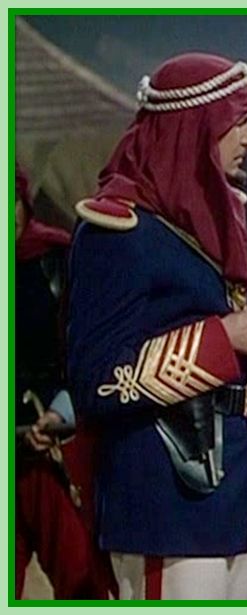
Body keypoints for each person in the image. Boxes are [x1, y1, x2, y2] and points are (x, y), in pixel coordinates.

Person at [66, 53, 247, 600]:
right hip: (165, 509)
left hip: (239, 505)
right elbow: (98, 378)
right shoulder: (118, 232)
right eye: (238, 121)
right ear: (194, 128)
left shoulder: (214, 223)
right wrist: (221, 339)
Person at [15, 161, 116, 599]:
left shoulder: (57, 260)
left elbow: (91, 353)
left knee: (82, 587)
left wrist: (61, 413)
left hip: (55, 453)